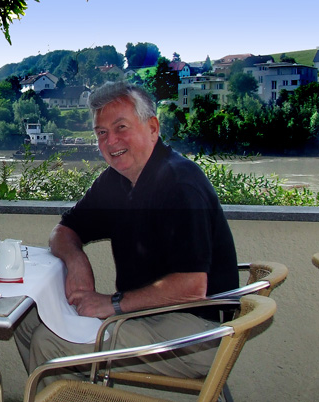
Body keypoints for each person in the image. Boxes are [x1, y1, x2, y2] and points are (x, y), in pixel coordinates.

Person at [15, 81, 239, 387]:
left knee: (50, 344)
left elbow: (192, 286)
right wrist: (76, 258)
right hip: (144, 315)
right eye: (101, 132)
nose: (111, 141)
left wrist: (113, 304)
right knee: (29, 322)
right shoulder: (117, 181)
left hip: (198, 331)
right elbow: (64, 230)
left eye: (121, 127)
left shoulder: (179, 183)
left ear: (152, 128)